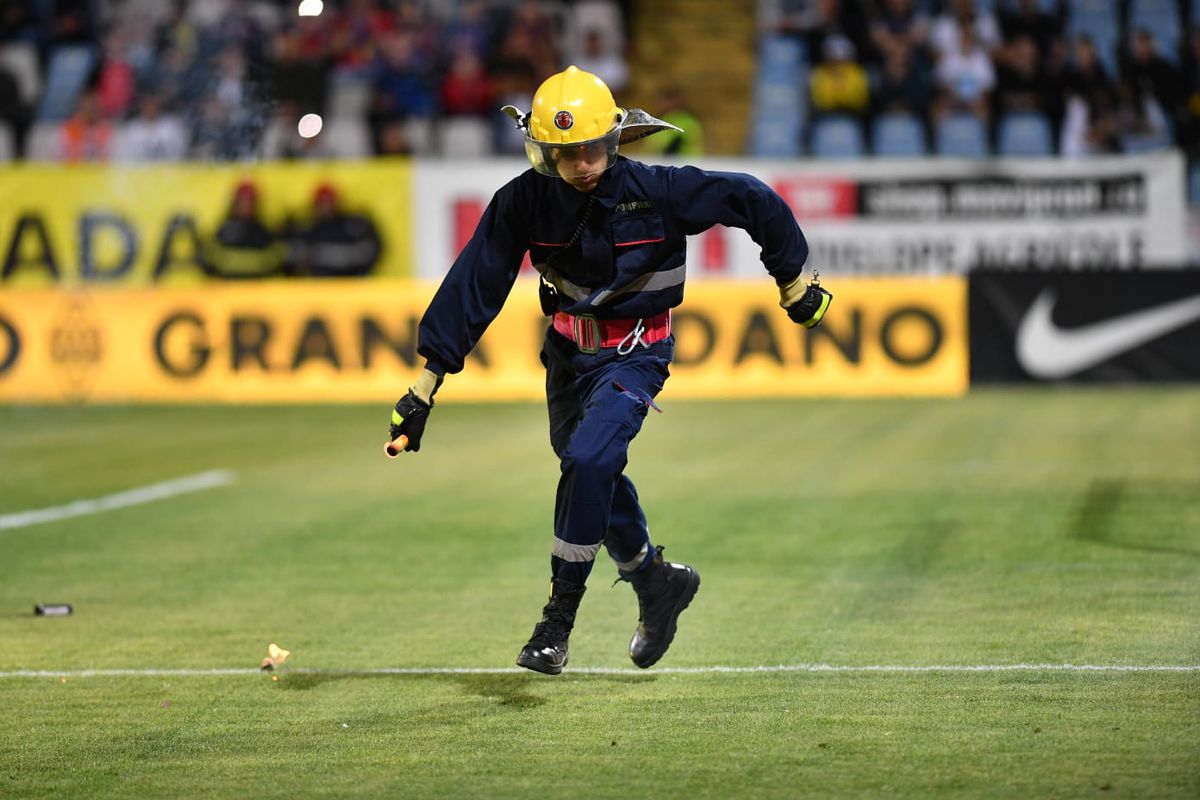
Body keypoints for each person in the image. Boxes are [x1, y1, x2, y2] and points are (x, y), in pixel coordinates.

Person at [385, 66, 831, 675]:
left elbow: (752, 197)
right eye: (567, 153)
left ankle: (556, 622)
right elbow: (474, 284)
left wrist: (794, 282)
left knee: (591, 460)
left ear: (615, 138)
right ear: (543, 151)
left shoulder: (659, 189)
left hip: (638, 354)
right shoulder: (522, 201)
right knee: (589, 470)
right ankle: (655, 583)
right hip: (566, 359)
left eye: (592, 147)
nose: (583, 163)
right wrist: (424, 386)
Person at [285, 183, 381, 277]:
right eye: (321, 203)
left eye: (328, 202)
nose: (325, 207)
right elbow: (289, 257)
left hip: (350, 285)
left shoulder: (352, 225)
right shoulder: (305, 227)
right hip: (314, 286)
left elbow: (369, 252)